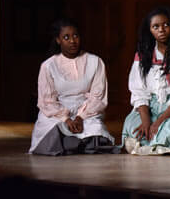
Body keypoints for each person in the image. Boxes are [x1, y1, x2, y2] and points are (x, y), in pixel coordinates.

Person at [121, 6, 170, 155]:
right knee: (132, 125)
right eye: (155, 26)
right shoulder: (144, 55)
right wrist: (146, 121)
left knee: (168, 128)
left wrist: (158, 121)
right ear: (149, 30)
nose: (161, 30)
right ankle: (153, 142)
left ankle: (167, 141)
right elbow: (139, 90)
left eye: (166, 25)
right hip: (151, 106)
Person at [29, 19, 116, 155]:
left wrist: (80, 117)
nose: (72, 41)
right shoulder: (48, 65)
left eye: (75, 36)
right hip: (57, 112)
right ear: (58, 40)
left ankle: (73, 144)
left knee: (96, 130)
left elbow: (98, 96)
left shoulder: (95, 61)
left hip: (87, 111)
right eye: (66, 37)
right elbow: (47, 101)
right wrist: (66, 119)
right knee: (52, 130)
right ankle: (72, 143)